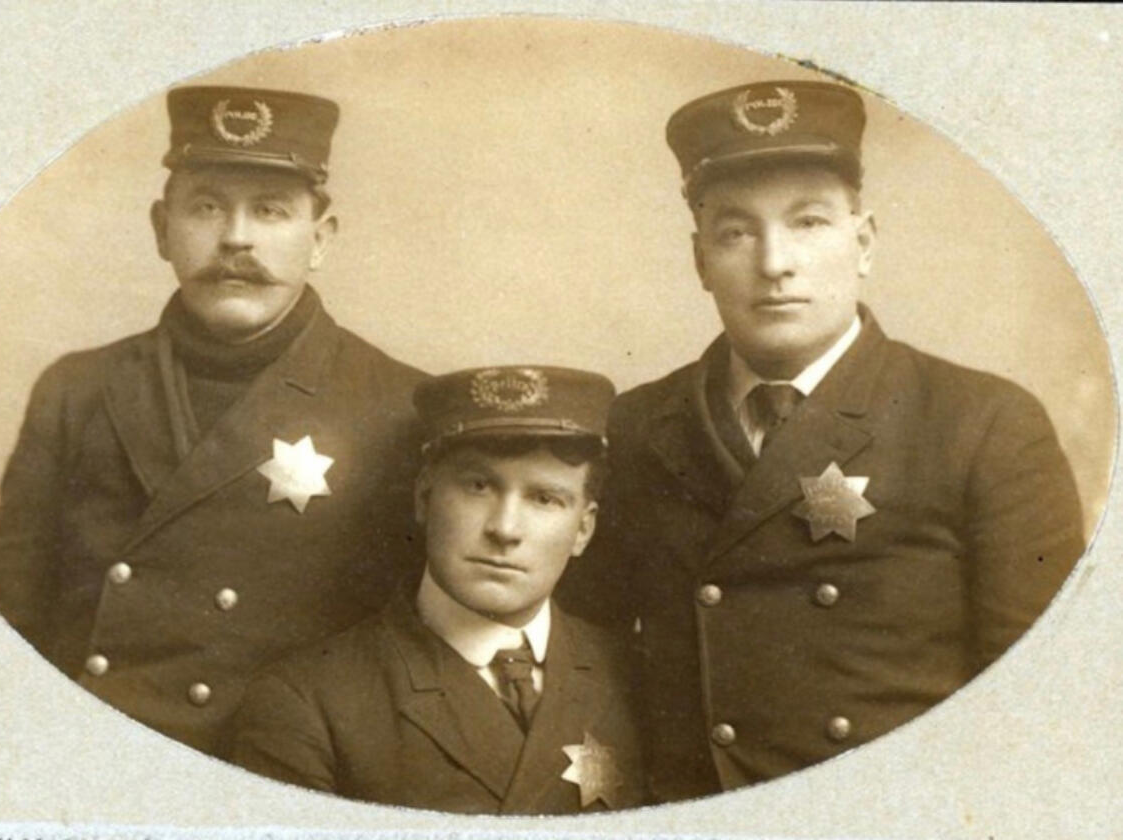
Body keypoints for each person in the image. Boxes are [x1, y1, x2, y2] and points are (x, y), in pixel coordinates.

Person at [559, 80, 1086, 800]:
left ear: (863, 242)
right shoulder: (637, 426)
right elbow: (588, 660)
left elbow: (1036, 707)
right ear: (699, 259)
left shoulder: (982, 424)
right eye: (736, 232)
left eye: (808, 223)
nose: (775, 263)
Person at [0, 85, 424, 755]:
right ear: (161, 228)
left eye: (270, 211)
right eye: (207, 207)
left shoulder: (399, 406)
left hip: (276, 765)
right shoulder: (78, 388)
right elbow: (1, 618)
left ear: (320, 237)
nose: (236, 238)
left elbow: (405, 656)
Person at [228, 366, 646, 814]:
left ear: (583, 528)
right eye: (478, 486)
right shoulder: (305, 702)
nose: (505, 529)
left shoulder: (637, 676)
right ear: (424, 498)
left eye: (544, 499)